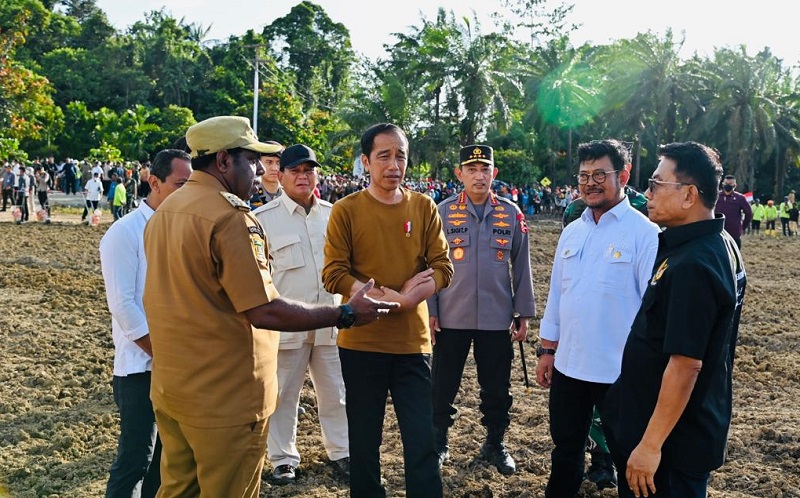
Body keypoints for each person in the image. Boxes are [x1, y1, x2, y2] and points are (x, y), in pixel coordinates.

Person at [142, 116, 397, 498]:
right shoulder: (229, 218)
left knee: (179, 490)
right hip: (225, 399)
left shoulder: (167, 210)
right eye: (250, 160)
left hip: (174, 389)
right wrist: (345, 314)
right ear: (224, 160)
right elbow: (264, 310)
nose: (261, 171)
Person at [603, 141, 746, 498]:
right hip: (672, 430)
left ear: (689, 195)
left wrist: (650, 446)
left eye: (656, 184)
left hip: (669, 445)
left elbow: (685, 364)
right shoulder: (715, 243)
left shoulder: (694, 265)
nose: (647, 193)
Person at [322, 123, 454, 498]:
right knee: (364, 442)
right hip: (362, 343)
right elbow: (334, 274)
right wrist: (394, 298)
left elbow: (442, 267)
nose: (394, 165)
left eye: (400, 156)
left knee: (422, 439)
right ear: (365, 162)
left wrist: (409, 301)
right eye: (384, 156)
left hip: (413, 344)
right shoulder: (346, 210)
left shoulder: (423, 207)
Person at [535, 139, 660, 497]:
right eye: (584, 176)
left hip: (619, 372)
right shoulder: (572, 231)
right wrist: (547, 350)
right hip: (569, 366)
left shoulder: (645, 234)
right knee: (566, 450)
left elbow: (651, 312)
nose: (590, 183)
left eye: (600, 175)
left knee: (626, 456)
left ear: (624, 175)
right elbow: (557, 294)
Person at [427, 145, 535, 476]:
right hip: (451, 314)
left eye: (485, 169)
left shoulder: (511, 213)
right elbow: (429, 264)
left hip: (496, 316)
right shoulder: (442, 211)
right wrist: (430, 310)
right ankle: (438, 442)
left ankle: (495, 443)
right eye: (471, 169)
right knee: (442, 383)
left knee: (497, 387)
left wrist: (523, 312)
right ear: (459, 174)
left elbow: (522, 265)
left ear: (494, 173)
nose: (479, 175)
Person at [253, 144, 350, 485]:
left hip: (330, 320)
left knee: (336, 392)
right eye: (295, 171)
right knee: (282, 395)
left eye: (309, 170)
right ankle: (283, 459)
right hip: (288, 324)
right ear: (280, 176)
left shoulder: (334, 214)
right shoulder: (262, 220)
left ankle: (342, 451)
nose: (303, 176)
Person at [99, 149, 193, 498]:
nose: (188, 192)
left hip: (179, 365)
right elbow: (123, 305)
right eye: (180, 184)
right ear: (154, 182)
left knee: (169, 462)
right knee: (137, 458)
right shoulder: (124, 232)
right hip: (140, 366)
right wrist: (161, 353)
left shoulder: (185, 229)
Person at [714, 175, 752, 248]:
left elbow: (748, 213)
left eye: (730, 184)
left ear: (735, 185)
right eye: (726, 183)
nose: (728, 185)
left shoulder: (740, 198)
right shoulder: (716, 196)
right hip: (717, 233)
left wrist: (742, 227)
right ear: (722, 184)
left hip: (734, 234)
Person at [250, 141, 284, 210]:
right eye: (269, 162)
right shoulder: (250, 195)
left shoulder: (290, 196)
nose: (275, 168)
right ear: (258, 164)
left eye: (278, 163)